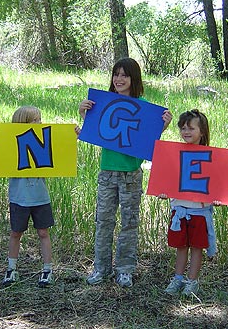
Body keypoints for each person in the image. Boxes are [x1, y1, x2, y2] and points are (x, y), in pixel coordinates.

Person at [79, 57, 173, 288]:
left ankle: (125, 269)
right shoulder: (102, 104)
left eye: (124, 75)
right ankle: (101, 268)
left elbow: (147, 140)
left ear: (133, 79)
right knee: (103, 222)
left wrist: (163, 125)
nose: (119, 79)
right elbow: (95, 130)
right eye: (116, 74)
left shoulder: (144, 109)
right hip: (107, 172)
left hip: (131, 173)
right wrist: (84, 113)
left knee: (129, 223)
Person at [0, 106, 55, 288]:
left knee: (43, 232)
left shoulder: (43, 140)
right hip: (19, 197)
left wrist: (72, 135)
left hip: (40, 197)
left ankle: (47, 269)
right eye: (34, 120)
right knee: (16, 233)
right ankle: (11, 268)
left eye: (40, 119)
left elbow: (60, 154)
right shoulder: (12, 144)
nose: (39, 123)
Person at [160, 109, 218, 297]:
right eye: (183, 128)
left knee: (197, 248)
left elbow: (216, 182)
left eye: (191, 128)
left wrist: (217, 197)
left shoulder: (211, 156)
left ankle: (192, 281)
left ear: (202, 132)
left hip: (199, 212)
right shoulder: (175, 154)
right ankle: (177, 278)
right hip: (179, 209)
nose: (186, 132)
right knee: (181, 246)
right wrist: (163, 191)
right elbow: (169, 177)